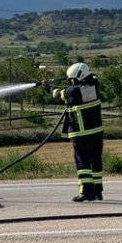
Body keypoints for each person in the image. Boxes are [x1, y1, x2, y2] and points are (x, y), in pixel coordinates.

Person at [52, 62, 103, 202]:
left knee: (82, 163)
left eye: (72, 79)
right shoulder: (94, 85)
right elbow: (85, 83)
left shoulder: (73, 91)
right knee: (95, 160)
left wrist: (49, 88)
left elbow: (60, 94)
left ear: (80, 76)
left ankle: (86, 191)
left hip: (81, 133)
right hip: (97, 132)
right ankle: (97, 191)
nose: (72, 82)